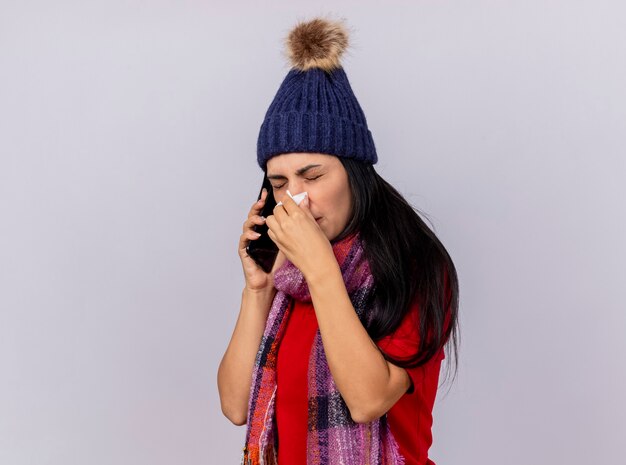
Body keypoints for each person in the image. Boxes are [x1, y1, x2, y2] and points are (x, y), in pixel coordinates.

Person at [217, 16, 459, 465]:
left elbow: (369, 400)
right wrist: (257, 290)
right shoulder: (286, 278)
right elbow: (235, 406)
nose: (296, 196)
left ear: (355, 173)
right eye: (279, 181)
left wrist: (321, 269)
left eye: (313, 175)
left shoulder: (416, 265)